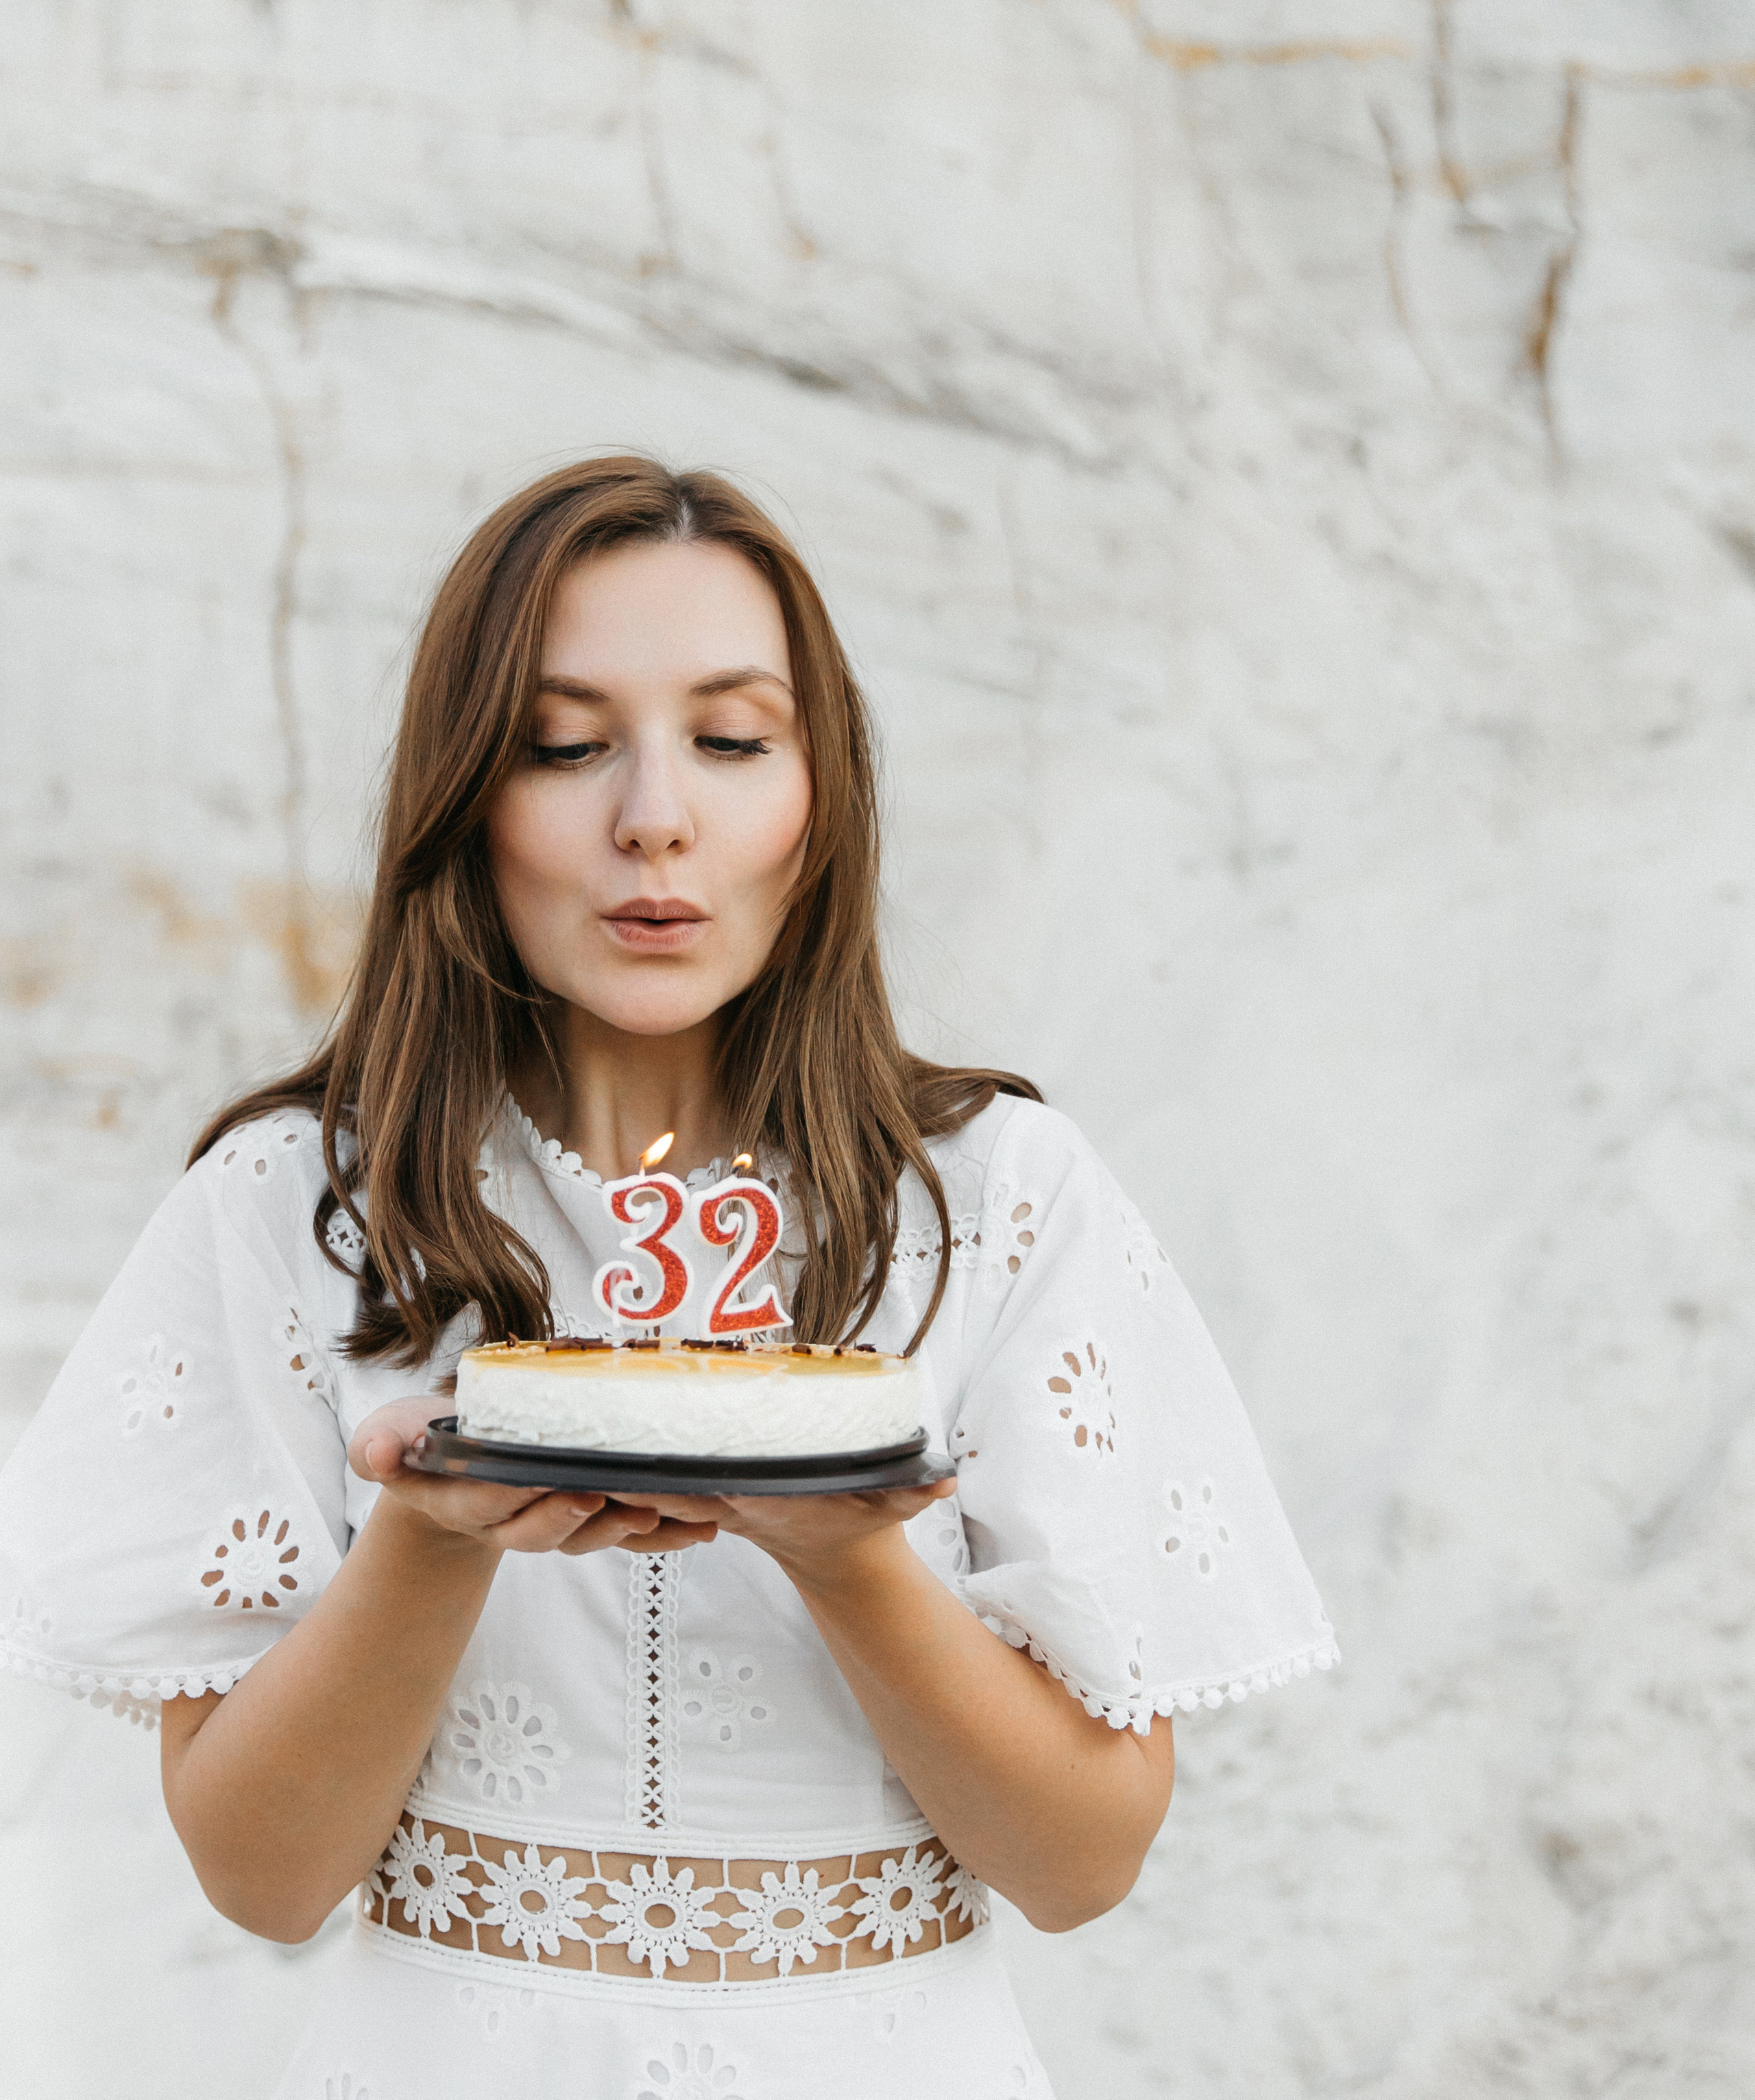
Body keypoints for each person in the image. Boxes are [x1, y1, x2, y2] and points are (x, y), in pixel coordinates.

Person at [0, 457, 1337, 2099]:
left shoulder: (996, 1199)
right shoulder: (299, 1208)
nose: (653, 816)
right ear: (465, 797)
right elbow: (263, 1883)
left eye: (730, 740)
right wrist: (426, 1539)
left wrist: (851, 1562)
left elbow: (1078, 1867)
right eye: (565, 746)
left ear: (819, 797)